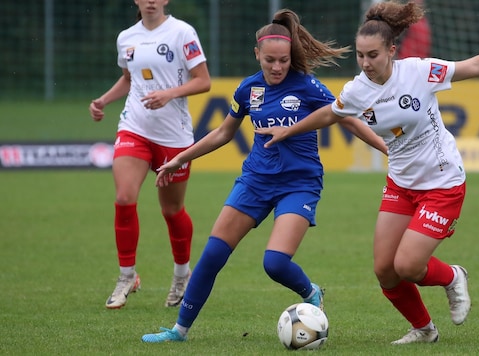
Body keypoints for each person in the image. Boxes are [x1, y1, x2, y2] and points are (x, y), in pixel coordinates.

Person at [255, 1, 479, 345]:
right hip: (401, 184)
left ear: (391, 50)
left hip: (442, 182)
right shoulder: (358, 89)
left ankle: (452, 276)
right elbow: (332, 113)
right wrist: (289, 130)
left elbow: (475, 65)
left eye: (372, 55)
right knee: (385, 271)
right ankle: (424, 329)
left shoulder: (420, 72)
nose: (365, 63)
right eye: (360, 55)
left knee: (407, 266)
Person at [140, 9, 387, 343]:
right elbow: (223, 133)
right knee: (212, 255)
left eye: (283, 60)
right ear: (257, 54)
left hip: (299, 184)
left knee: (274, 263)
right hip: (255, 181)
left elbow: (348, 119)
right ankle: (178, 331)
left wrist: (387, 149)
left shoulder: (307, 86)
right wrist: (179, 158)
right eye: (270, 60)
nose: (277, 67)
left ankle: (310, 292)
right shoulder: (248, 90)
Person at [88, 0, 211, 309]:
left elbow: (203, 81)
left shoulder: (182, 33)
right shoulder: (126, 37)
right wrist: (103, 100)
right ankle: (126, 276)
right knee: (124, 198)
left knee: (172, 210)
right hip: (134, 128)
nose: (151, 0)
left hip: (174, 136)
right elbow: (130, 80)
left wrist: (169, 93)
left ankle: (182, 275)